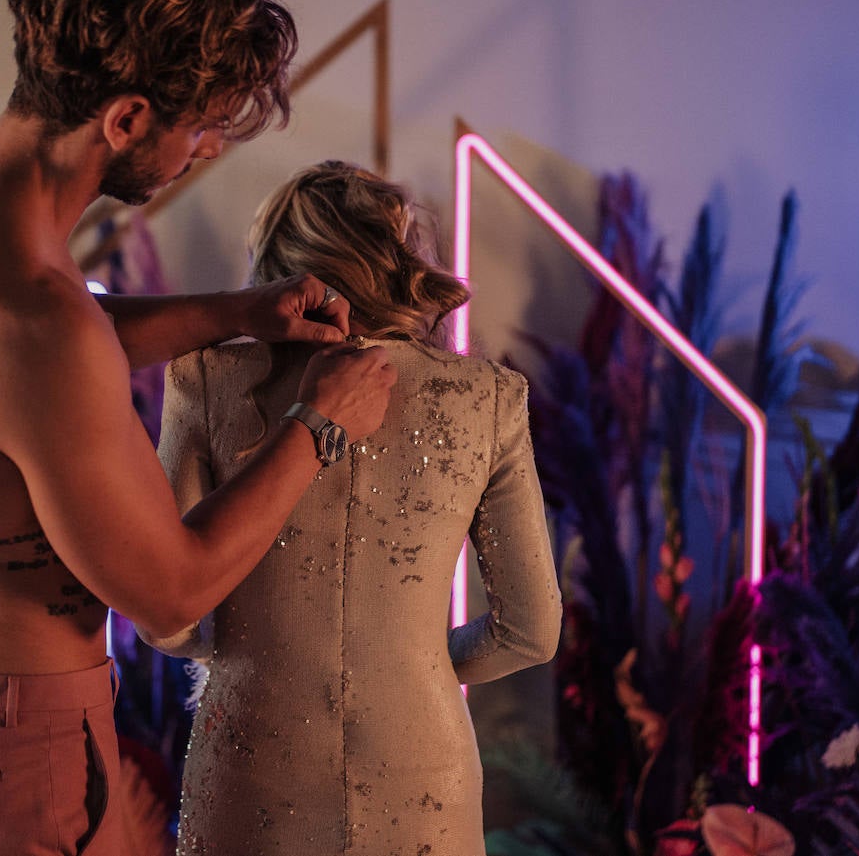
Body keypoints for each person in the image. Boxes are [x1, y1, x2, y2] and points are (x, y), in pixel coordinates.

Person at [0, 0, 397, 854]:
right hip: (1, 752)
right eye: (198, 126)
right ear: (125, 119)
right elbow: (170, 596)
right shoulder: (42, 324)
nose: (202, 151)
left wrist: (239, 310)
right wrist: (319, 423)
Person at [141, 161, 563, 855]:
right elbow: (531, 630)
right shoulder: (488, 397)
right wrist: (416, 658)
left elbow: (169, 615)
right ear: (399, 260)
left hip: (250, 765)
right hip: (424, 776)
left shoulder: (207, 378)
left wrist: (255, 646)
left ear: (279, 267)